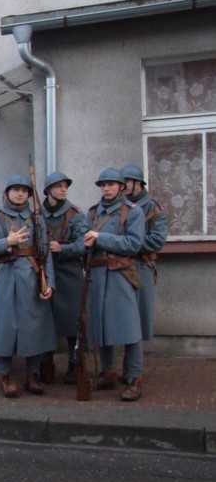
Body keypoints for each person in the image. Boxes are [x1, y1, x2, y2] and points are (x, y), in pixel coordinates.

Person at [0, 174, 56, 398]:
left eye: (24, 190)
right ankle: (4, 374)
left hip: (32, 278)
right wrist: (7, 242)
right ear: (7, 193)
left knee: (34, 328)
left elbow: (45, 253)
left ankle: (33, 374)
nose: (20, 193)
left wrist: (49, 281)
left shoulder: (37, 219)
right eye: (15, 189)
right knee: (3, 328)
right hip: (5, 276)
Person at [84, 167, 146, 401]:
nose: (106, 188)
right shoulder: (92, 213)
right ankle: (107, 372)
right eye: (103, 184)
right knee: (101, 326)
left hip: (121, 274)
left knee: (130, 328)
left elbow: (133, 244)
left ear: (121, 187)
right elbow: (83, 242)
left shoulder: (133, 212)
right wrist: (84, 242)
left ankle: (135, 377)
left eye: (111, 184)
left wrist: (100, 238)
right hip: (97, 274)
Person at [42, 171, 88, 384]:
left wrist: (61, 248)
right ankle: (45, 363)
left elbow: (83, 245)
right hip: (44, 272)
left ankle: (74, 363)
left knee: (72, 322)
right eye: (58, 186)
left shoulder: (76, 214)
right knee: (45, 320)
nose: (63, 189)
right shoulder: (37, 214)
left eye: (65, 186)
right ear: (48, 190)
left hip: (69, 273)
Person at [121, 163, 167, 345]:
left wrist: (128, 243)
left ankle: (133, 367)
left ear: (137, 183)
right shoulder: (120, 206)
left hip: (141, 263)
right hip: (120, 265)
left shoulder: (153, 208)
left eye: (127, 182)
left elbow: (157, 240)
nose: (122, 186)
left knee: (140, 316)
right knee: (122, 317)